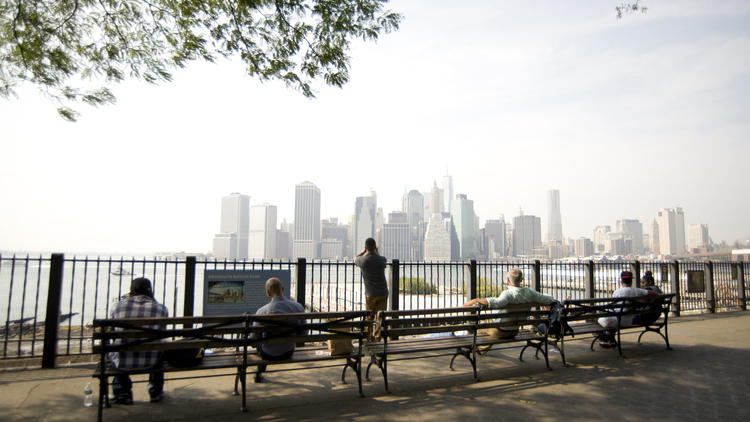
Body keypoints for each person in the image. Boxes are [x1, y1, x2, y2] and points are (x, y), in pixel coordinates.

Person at [109, 277, 169, 404]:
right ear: (150, 292)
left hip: (122, 361)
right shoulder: (161, 309)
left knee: (119, 348)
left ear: (131, 291)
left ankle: (122, 392)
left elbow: (113, 333)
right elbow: (161, 334)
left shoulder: (117, 307)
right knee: (159, 348)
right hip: (152, 360)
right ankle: (155, 392)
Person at [463, 268, 555, 340]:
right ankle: (480, 349)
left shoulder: (507, 294)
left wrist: (475, 300)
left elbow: (496, 303)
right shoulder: (529, 292)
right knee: (488, 327)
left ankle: (478, 349)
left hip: (501, 331)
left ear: (508, 280)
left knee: (480, 328)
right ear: (521, 280)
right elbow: (549, 299)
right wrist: (541, 302)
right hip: (515, 331)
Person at [253, 277, 305, 383]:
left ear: (268, 292)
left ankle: (259, 374)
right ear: (283, 289)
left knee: (260, 342)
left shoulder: (261, 312)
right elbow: (303, 334)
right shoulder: (298, 307)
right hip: (288, 352)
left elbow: (254, 339)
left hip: (267, 355)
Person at [597, 270, 658, 347]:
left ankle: (605, 338)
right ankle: (610, 339)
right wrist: (643, 299)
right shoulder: (637, 291)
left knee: (598, 318)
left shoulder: (617, 292)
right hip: (629, 320)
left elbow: (612, 306)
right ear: (631, 281)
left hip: (618, 321)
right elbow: (655, 294)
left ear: (621, 281)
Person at [354, 237, 388, 341]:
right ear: (375, 247)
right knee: (380, 317)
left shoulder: (363, 260)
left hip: (370, 293)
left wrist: (363, 252)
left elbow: (355, 258)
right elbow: (380, 259)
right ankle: (377, 339)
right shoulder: (382, 260)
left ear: (366, 247)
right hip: (383, 293)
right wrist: (376, 251)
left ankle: (368, 339)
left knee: (369, 317)